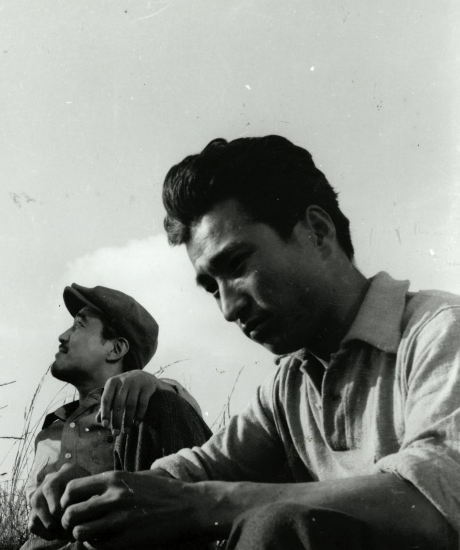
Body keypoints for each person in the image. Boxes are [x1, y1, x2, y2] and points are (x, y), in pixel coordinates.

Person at [29, 135, 460, 549]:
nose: (229, 308)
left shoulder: (439, 331)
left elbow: (434, 504)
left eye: (237, 264)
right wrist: (99, 491)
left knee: (275, 527)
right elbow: (199, 470)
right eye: (212, 288)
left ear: (316, 231)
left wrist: (206, 504)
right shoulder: (289, 387)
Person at [23, 284, 211, 550]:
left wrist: (154, 385)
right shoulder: (50, 431)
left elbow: (181, 420)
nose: (63, 336)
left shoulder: (151, 410)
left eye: (79, 325)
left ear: (115, 349)